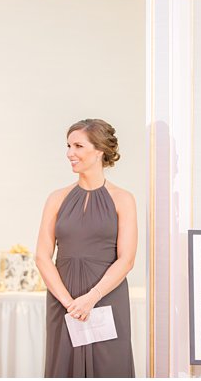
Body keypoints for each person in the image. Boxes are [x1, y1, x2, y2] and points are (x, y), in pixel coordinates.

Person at [36, 120, 137, 377]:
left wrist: (91, 298)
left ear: (99, 150)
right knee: (63, 366)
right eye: (68, 146)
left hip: (106, 296)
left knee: (108, 365)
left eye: (78, 146)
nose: (70, 153)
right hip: (63, 299)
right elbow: (42, 256)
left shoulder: (123, 199)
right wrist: (70, 303)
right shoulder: (56, 198)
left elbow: (126, 260)